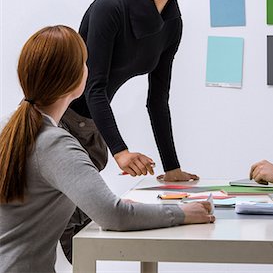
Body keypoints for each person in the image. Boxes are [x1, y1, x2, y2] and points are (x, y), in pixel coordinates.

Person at [0, 25, 215, 273]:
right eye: (85, 62)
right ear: (77, 78)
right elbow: (113, 215)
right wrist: (182, 213)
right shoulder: (55, 144)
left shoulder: (9, 127)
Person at [69, 0, 200, 182]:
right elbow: (95, 86)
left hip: (90, 127)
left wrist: (172, 168)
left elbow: (157, 99)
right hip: (55, 122)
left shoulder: (172, 24)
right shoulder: (111, 7)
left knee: (79, 220)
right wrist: (121, 152)